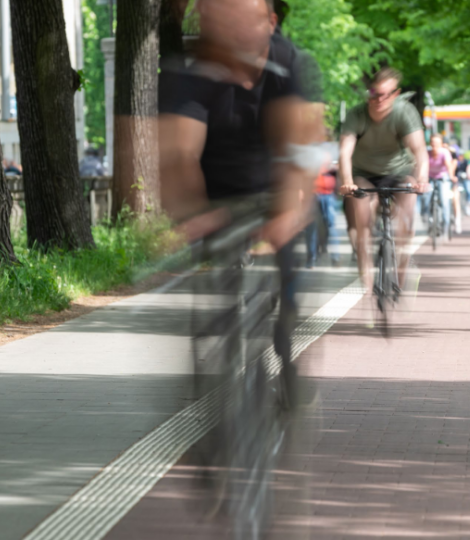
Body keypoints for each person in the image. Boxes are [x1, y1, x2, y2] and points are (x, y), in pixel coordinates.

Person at [158, 0, 324, 394]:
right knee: (215, 284)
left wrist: (288, 211)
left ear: (270, 23)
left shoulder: (290, 61)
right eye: (219, 21)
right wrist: (188, 214)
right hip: (216, 191)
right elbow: (179, 154)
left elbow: (299, 147)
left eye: (242, 20)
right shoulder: (189, 70)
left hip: (273, 183)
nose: (232, 33)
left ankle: (286, 353)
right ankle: (215, 370)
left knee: (288, 271)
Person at [338, 67, 428, 303]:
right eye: (374, 94)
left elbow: (419, 150)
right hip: (363, 173)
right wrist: (346, 182)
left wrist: (422, 179)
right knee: (362, 218)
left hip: (399, 171)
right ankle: (367, 287)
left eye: (385, 95)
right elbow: (345, 152)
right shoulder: (357, 114)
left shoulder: (404, 113)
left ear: (395, 94)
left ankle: (400, 276)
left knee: (406, 213)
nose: (379, 100)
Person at [304, 160, 340, 268]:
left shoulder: (330, 150)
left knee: (331, 226)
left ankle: (336, 258)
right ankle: (311, 259)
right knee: (311, 227)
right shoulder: (308, 148)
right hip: (311, 194)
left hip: (329, 195)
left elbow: (338, 168)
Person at [421, 133, 458, 236]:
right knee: (426, 198)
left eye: (437, 143)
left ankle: (445, 224)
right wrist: (421, 180)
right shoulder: (427, 153)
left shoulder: (444, 152)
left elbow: (448, 166)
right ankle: (427, 220)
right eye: (432, 143)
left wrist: (451, 176)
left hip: (443, 177)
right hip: (430, 177)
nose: (434, 145)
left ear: (441, 144)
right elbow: (423, 167)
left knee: (444, 200)